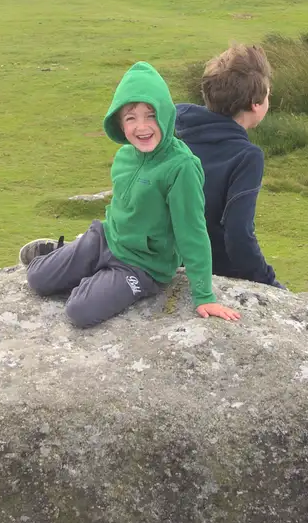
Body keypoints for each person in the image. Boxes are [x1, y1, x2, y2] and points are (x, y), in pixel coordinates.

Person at [20, 61, 241, 328]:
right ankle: (70, 255)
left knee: (79, 311)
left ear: (166, 114)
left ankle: (89, 271)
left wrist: (204, 295)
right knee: (37, 279)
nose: (142, 126)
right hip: (105, 238)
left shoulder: (181, 168)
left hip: (142, 266)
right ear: (119, 123)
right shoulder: (125, 156)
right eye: (130, 118)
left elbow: (192, 231)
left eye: (151, 115)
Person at [175, 44, 281, 288]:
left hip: (165, 260)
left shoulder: (175, 129)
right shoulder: (246, 157)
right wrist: (269, 283)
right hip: (213, 272)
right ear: (256, 103)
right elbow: (239, 237)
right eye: (268, 94)